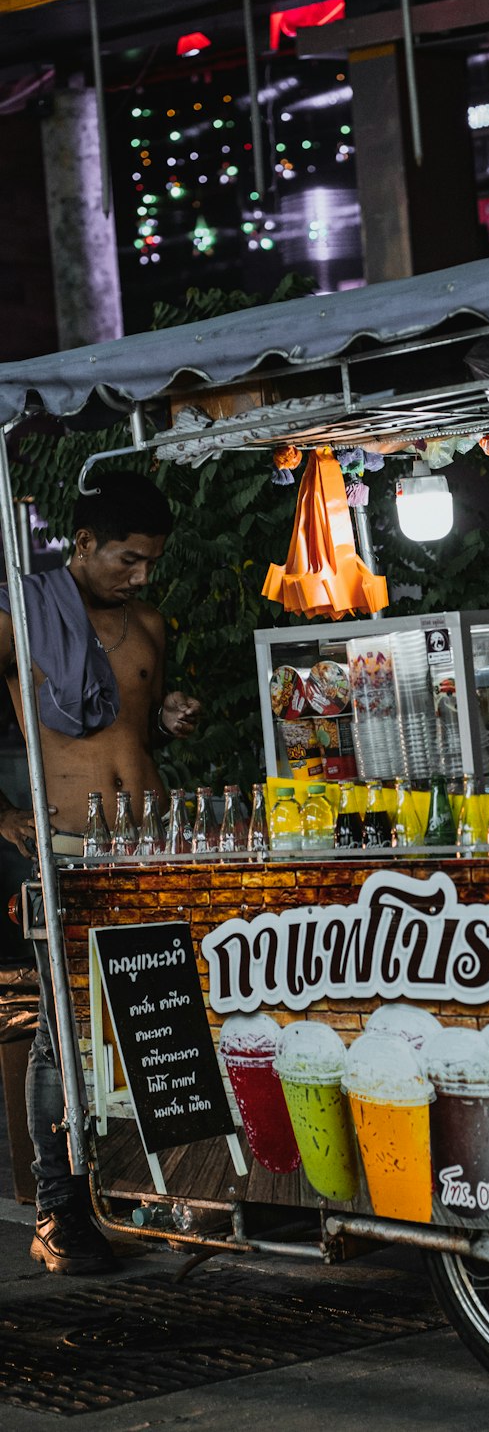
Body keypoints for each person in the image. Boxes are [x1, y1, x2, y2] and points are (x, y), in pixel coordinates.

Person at [0, 471, 200, 1274]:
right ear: (82, 545)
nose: (141, 575)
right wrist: (2, 816)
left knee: (166, 1017)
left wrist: (179, 714)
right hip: (70, 851)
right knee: (65, 1032)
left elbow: (141, 729)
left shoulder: (149, 623)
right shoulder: (21, 617)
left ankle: (162, 1189)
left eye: (151, 561)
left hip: (151, 846)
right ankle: (60, 1210)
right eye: (128, 559)